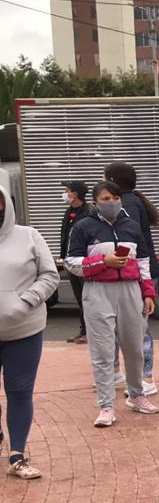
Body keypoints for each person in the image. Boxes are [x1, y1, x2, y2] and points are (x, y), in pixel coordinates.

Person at [65, 181, 159, 427]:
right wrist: (102, 261)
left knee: (135, 348)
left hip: (130, 291)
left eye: (114, 197)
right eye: (105, 198)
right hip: (98, 291)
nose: (111, 202)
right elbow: (72, 262)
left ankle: (137, 395)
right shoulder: (83, 226)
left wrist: (148, 293)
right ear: (96, 201)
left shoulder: (131, 226)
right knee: (102, 352)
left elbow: (143, 262)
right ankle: (106, 405)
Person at [0, 184, 58, 478]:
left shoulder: (29, 236)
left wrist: (26, 300)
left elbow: (49, 275)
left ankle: (17, 455)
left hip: (23, 330)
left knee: (19, 392)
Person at [104, 162, 159, 396]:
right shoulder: (129, 201)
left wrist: (118, 262)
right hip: (131, 273)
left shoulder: (128, 204)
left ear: (114, 180)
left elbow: (130, 241)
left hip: (139, 273)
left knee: (139, 328)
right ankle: (119, 373)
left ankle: (146, 378)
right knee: (118, 325)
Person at [59, 180, 92, 344]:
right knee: (80, 299)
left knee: (88, 298)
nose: (65, 193)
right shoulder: (69, 211)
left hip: (84, 262)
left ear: (76, 194)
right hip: (70, 260)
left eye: (67, 190)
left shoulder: (89, 212)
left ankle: (91, 332)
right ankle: (84, 330)